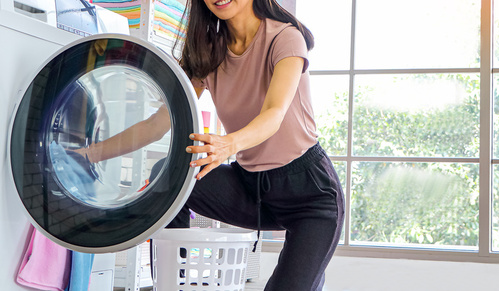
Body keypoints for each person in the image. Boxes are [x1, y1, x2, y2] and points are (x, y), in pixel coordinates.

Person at [77, 0, 345, 290]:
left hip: (309, 196)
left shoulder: (285, 37)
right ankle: (173, 283)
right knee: (168, 176)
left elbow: (274, 114)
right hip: (250, 188)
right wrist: (90, 154)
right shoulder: (209, 50)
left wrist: (228, 144)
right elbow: (158, 124)